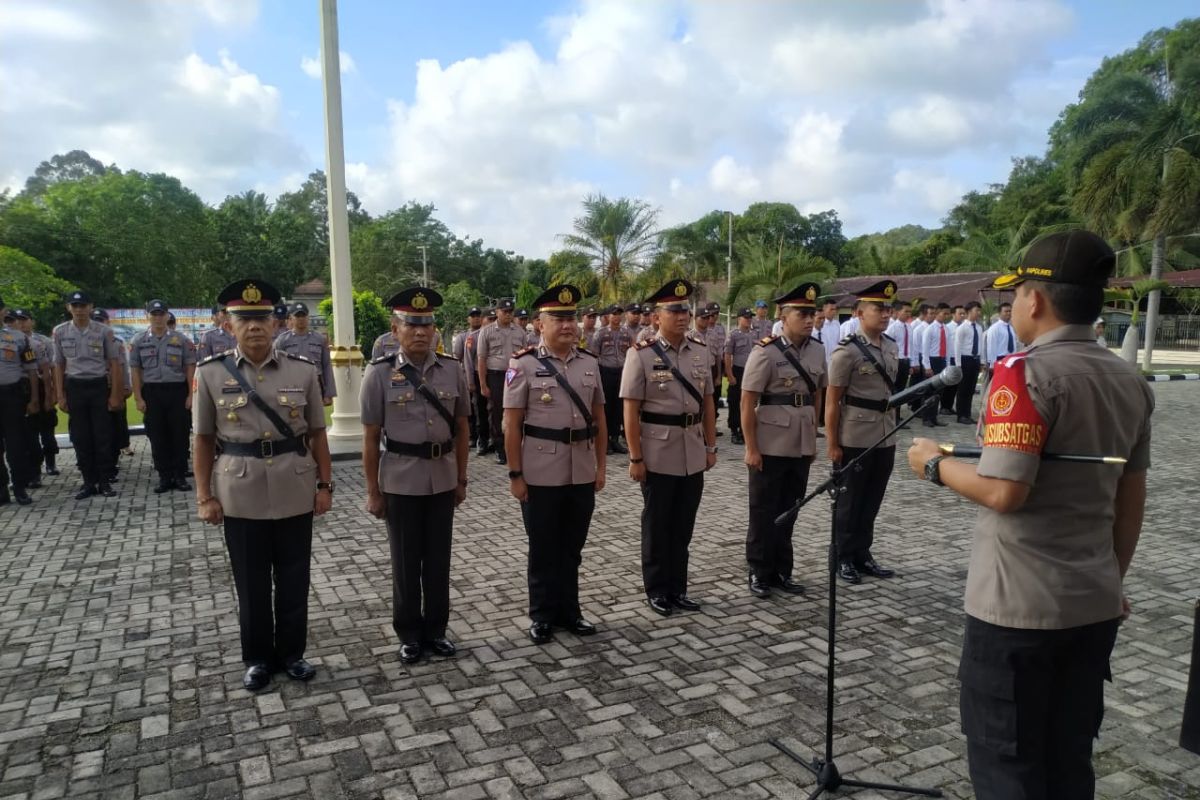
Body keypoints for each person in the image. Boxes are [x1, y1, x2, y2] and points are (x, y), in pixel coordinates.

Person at [906, 230, 1153, 799]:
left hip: (1019, 609)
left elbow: (1004, 491)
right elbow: (1130, 499)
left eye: (1016, 293)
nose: (1014, 303)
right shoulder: (1130, 381)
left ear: (1035, 300)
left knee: (1009, 768)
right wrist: (1112, 578)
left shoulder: (1023, 372)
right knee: (1069, 762)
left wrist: (931, 464)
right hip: (1092, 601)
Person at [192, 278, 333, 692]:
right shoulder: (211, 373)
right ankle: (257, 659)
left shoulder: (302, 371)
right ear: (228, 324)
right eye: (244, 319)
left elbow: (318, 434)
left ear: (276, 323)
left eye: (262, 318)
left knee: (293, 578)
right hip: (240, 490)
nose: (255, 326)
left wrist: (325, 485)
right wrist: (204, 496)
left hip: (294, 486)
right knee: (251, 583)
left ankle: (292, 654)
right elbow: (202, 440)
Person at [361, 287, 468, 665]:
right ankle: (408, 633)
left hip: (441, 477)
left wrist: (462, 478)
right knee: (406, 562)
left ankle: (437, 630)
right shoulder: (378, 374)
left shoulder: (453, 368)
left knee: (439, 560)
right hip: (400, 481)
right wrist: (373, 491)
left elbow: (461, 427)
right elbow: (372, 437)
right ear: (395, 329)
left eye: (427, 325)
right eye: (412, 325)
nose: (421, 332)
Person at [503, 285, 606, 644]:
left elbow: (600, 419)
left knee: (572, 546)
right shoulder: (523, 364)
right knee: (543, 546)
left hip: (580, 468)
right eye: (558, 318)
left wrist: (601, 467)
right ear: (539, 324)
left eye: (571, 318)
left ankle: (570, 611)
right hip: (540, 470)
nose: (567, 325)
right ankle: (542, 614)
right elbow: (511, 425)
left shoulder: (589, 362)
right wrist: (516, 474)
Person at [621, 279, 717, 617]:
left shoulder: (701, 350)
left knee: (683, 525)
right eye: (674, 310)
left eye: (685, 310)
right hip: (657, 451)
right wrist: (635, 456)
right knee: (658, 524)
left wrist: (710, 445)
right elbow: (630, 410)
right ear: (656, 317)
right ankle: (658, 589)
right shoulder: (641, 354)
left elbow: (707, 402)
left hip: (692, 448)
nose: (682, 315)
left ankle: (678, 587)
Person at [740, 283, 825, 598]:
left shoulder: (818, 350)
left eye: (811, 313)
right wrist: (751, 447)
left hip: (801, 443)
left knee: (791, 509)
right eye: (802, 313)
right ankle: (759, 570)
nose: (808, 319)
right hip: (770, 444)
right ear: (783, 316)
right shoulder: (766, 350)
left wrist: (814, 439)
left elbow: (817, 395)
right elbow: (747, 402)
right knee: (763, 510)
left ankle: (781, 571)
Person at [826, 280, 900, 585]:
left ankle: (862, 553)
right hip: (855, 435)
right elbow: (832, 400)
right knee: (849, 501)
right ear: (859, 313)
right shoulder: (847, 352)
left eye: (888, 309)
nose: (885, 314)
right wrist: (832, 443)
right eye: (878, 309)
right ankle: (843, 556)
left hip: (886, 433)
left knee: (872, 498)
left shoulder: (892, 345)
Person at [53, 291, 123, 500]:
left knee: (102, 436)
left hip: (98, 386)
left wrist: (115, 395)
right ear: (68, 308)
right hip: (75, 387)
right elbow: (58, 365)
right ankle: (88, 482)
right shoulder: (60, 332)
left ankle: (104, 481)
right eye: (75, 306)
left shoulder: (103, 331)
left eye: (83, 305)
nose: (79, 310)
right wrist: (60, 395)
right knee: (81, 437)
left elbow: (114, 363)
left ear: (90, 307)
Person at [130, 300, 196, 493]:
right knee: (157, 436)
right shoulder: (139, 341)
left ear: (168, 316)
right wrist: (138, 398)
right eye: (154, 314)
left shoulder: (182, 340)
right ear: (147, 316)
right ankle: (164, 476)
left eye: (161, 314)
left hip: (177, 391)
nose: (158, 318)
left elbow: (190, 368)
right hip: (152, 392)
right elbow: (135, 371)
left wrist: (191, 395)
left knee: (180, 434)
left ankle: (180, 476)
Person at [0, 299, 40, 506]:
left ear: (3, 312)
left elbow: (32, 370)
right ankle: (1, 489)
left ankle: (20, 487)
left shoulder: (18, 338)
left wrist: (34, 398)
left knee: (16, 445)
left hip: (11, 396)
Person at [476, 298, 525, 464]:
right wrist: (483, 384)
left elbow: (525, 357)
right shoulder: (487, 331)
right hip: (496, 376)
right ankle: (499, 448)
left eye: (511, 312)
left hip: (515, 376)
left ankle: (516, 445)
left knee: (518, 410)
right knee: (496, 412)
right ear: (497, 312)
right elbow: (481, 359)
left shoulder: (519, 331)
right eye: (505, 311)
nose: (508, 314)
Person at [14, 309, 58, 479]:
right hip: (22, 387)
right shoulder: (10, 342)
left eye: (24, 320)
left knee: (47, 429)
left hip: (41, 385)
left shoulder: (43, 342)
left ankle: (51, 462)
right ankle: (34, 469)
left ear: (32, 321)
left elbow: (52, 368)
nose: (21, 323)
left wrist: (53, 393)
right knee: (28, 432)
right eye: (18, 320)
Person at [91, 308, 132, 476]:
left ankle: (112, 462)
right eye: (96, 320)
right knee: (97, 429)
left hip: (113, 387)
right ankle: (97, 464)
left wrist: (125, 388)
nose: (99, 324)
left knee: (115, 428)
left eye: (102, 320)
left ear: (108, 322)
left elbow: (123, 366)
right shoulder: (87, 340)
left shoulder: (117, 341)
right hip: (95, 388)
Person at [274, 303, 335, 406]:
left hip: (315, 384)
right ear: (291, 318)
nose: (301, 319)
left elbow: (327, 366)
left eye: (303, 315)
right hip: (291, 385)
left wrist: (329, 393)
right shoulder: (282, 341)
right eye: (297, 316)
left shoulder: (319, 339)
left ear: (308, 317)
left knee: (316, 418)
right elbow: (275, 366)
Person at [592, 305, 633, 455]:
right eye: (614, 314)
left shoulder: (627, 333)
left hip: (622, 371)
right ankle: (606, 440)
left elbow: (632, 351)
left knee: (619, 406)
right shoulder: (601, 333)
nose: (617, 317)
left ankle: (615, 438)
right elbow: (595, 355)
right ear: (608, 316)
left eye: (619, 314)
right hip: (606, 372)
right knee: (607, 406)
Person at [452, 307, 484, 446]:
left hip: (481, 374)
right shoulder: (463, 337)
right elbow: (457, 357)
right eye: (473, 316)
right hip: (466, 377)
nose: (476, 318)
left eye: (478, 315)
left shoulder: (485, 333)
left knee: (482, 408)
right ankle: (472, 436)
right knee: (470, 407)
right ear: (468, 319)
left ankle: (483, 436)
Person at [919, 303, 953, 428]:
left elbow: (949, 349)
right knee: (929, 391)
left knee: (939, 391)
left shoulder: (946, 329)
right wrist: (927, 366)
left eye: (947, 313)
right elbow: (925, 350)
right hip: (932, 361)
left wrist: (948, 365)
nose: (946, 316)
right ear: (937, 313)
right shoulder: (930, 329)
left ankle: (934, 417)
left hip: (942, 360)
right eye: (944, 313)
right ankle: (926, 418)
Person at [724, 308, 754, 445]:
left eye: (750, 317)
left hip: (752, 372)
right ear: (739, 319)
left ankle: (745, 429)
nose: (748, 319)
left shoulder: (755, 334)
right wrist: (730, 375)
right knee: (734, 402)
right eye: (746, 317)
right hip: (738, 371)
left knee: (749, 402)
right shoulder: (733, 334)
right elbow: (727, 355)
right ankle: (734, 430)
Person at [953, 301, 985, 425]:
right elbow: (957, 347)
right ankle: (961, 415)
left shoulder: (979, 327)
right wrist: (958, 365)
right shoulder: (962, 328)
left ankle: (967, 414)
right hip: (965, 360)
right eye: (976, 310)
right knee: (963, 389)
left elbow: (981, 345)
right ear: (969, 312)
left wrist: (981, 361)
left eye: (979, 311)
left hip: (975, 360)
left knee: (971, 389)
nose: (978, 313)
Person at [465, 308, 491, 452]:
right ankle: (482, 439)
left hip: (493, 374)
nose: (477, 319)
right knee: (480, 409)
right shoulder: (473, 337)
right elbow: (468, 361)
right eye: (489, 319)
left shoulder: (495, 334)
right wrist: (470, 381)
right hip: (477, 374)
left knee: (494, 409)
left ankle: (495, 438)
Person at [886, 300, 914, 393]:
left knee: (902, 389)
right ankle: (891, 407)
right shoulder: (892, 328)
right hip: (896, 361)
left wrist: (911, 363)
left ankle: (897, 407)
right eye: (906, 311)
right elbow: (886, 346)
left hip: (906, 361)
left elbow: (911, 346)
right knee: (893, 388)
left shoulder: (909, 327)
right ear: (898, 312)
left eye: (910, 312)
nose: (908, 314)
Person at [983, 302, 1018, 372]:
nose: (1008, 313)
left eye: (1010, 311)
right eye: (1006, 311)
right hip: (999, 359)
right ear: (999, 313)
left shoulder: (1010, 328)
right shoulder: (995, 328)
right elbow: (991, 346)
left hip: (1010, 359)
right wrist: (992, 364)